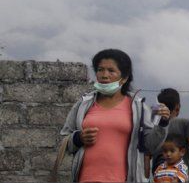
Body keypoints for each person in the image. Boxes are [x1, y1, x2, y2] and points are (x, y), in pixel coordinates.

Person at [60, 49, 170, 182]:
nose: (104, 75)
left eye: (111, 71)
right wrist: (78, 138)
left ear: (124, 78)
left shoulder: (137, 107)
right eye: (100, 70)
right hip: (86, 179)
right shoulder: (83, 104)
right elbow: (63, 140)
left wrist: (163, 123)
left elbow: (150, 146)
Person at [150, 88, 189, 181]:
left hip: (160, 175)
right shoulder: (185, 123)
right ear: (177, 107)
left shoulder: (154, 127)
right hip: (181, 175)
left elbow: (147, 153)